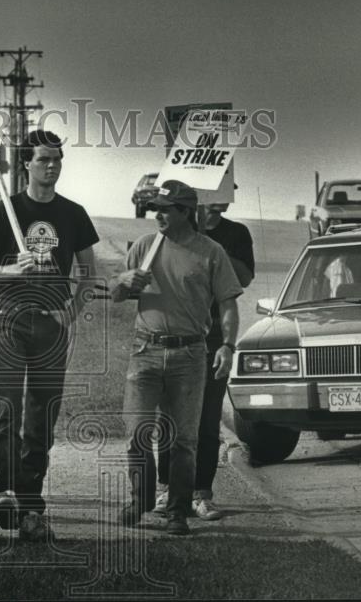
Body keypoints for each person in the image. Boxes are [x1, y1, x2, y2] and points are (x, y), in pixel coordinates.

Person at [0, 129, 99, 541]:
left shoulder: (74, 214)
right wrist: (13, 270)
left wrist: (71, 312)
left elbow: (88, 272)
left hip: (51, 323)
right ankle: (5, 491)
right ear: (26, 162)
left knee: (42, 416)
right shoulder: (4, 210)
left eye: (57, 160)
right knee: (8, 410)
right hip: (10, 318)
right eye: (44, 159)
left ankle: (30, 502)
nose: (52, 166)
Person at [112, 181, 242, 536]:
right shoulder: (145, 246)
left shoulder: (211, 252)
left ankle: (177, 511)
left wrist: (227, 346)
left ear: (186, 212)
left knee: (184, 440)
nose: (158, 215)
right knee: (138, 433)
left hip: (189, 353)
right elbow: (114, 293)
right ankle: (140, 499)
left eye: (165, 209)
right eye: (155, 208)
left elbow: (228, 303)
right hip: (145, 350)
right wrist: (124, 280)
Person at [153, 200, 254, 521]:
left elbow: (244, 279)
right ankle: (168, 488)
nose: (218, 198)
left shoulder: (235, 234)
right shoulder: (171, 232)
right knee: (170, 418)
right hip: (176, 333)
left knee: (207, 421)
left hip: (210, 338)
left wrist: (211, 251)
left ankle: (201, 493)